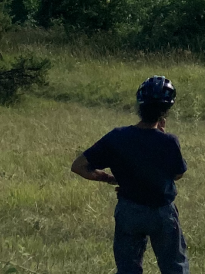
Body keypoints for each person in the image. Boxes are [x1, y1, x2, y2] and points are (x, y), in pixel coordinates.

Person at [71, 76, 189, 274]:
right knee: (174, 266)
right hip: (162, 212)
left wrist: (107, 178)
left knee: (128, 269)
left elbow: (79, 166)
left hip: (129, 210)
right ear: (165, 111)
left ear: (139, 106)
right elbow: (177, 175)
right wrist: (163, 135)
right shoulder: (169, 141)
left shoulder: (117, 137)